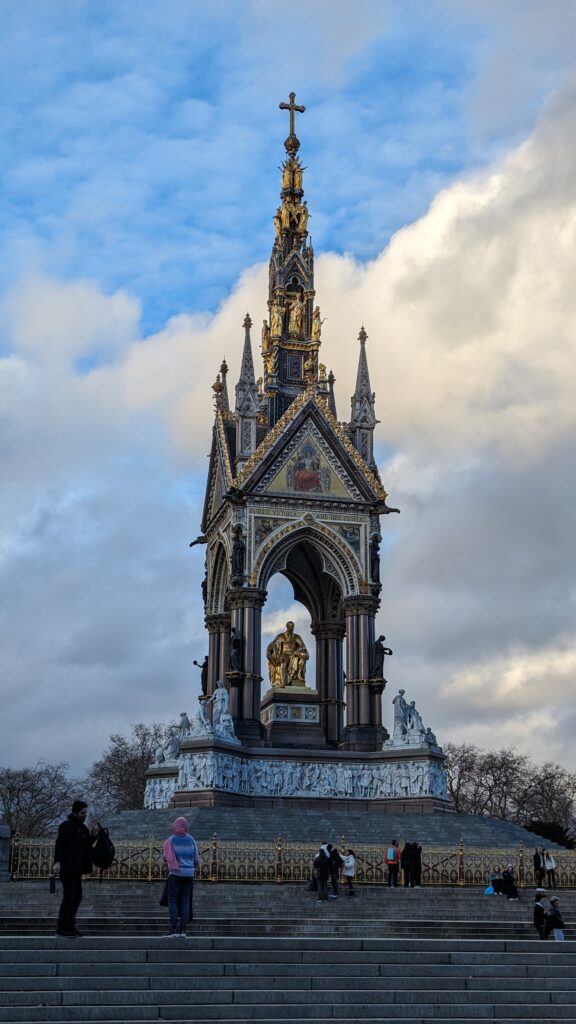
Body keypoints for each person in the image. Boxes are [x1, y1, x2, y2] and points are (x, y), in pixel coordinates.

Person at [52, 799, 97, 937]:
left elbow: (87, 845)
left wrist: (95, 835)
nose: (85, 815)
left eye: (86, 812)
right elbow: (59, 844)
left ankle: (70, 926)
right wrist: (57, 861)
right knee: (69, 896)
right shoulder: (66, 826)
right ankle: (62, 927)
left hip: (78, 868)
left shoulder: (83, 828)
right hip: (67, 867)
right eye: (82, 813)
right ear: (76, 812)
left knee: (77, 896)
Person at [162, 816, 200, 938]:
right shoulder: (191, 840)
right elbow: (196, 859)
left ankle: (174, 927)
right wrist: (191, 866)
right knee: (185, 901)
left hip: (175, 873)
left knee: (172, 901)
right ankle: (183, 929)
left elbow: (165, 858)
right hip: (189, 874)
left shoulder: (170, 841)